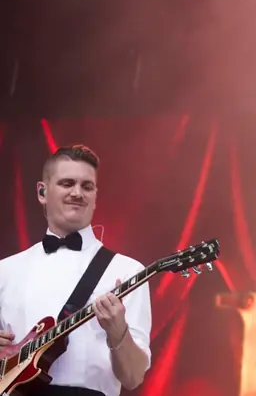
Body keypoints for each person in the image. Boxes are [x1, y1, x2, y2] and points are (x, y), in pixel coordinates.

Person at [0, 145, 152, 396]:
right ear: (42, 192)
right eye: (67, 183)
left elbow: (133, 377)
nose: (77, 193)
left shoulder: (129, 272)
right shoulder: (6, 270)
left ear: (95, 196)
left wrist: (118, 332)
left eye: (87, 186)